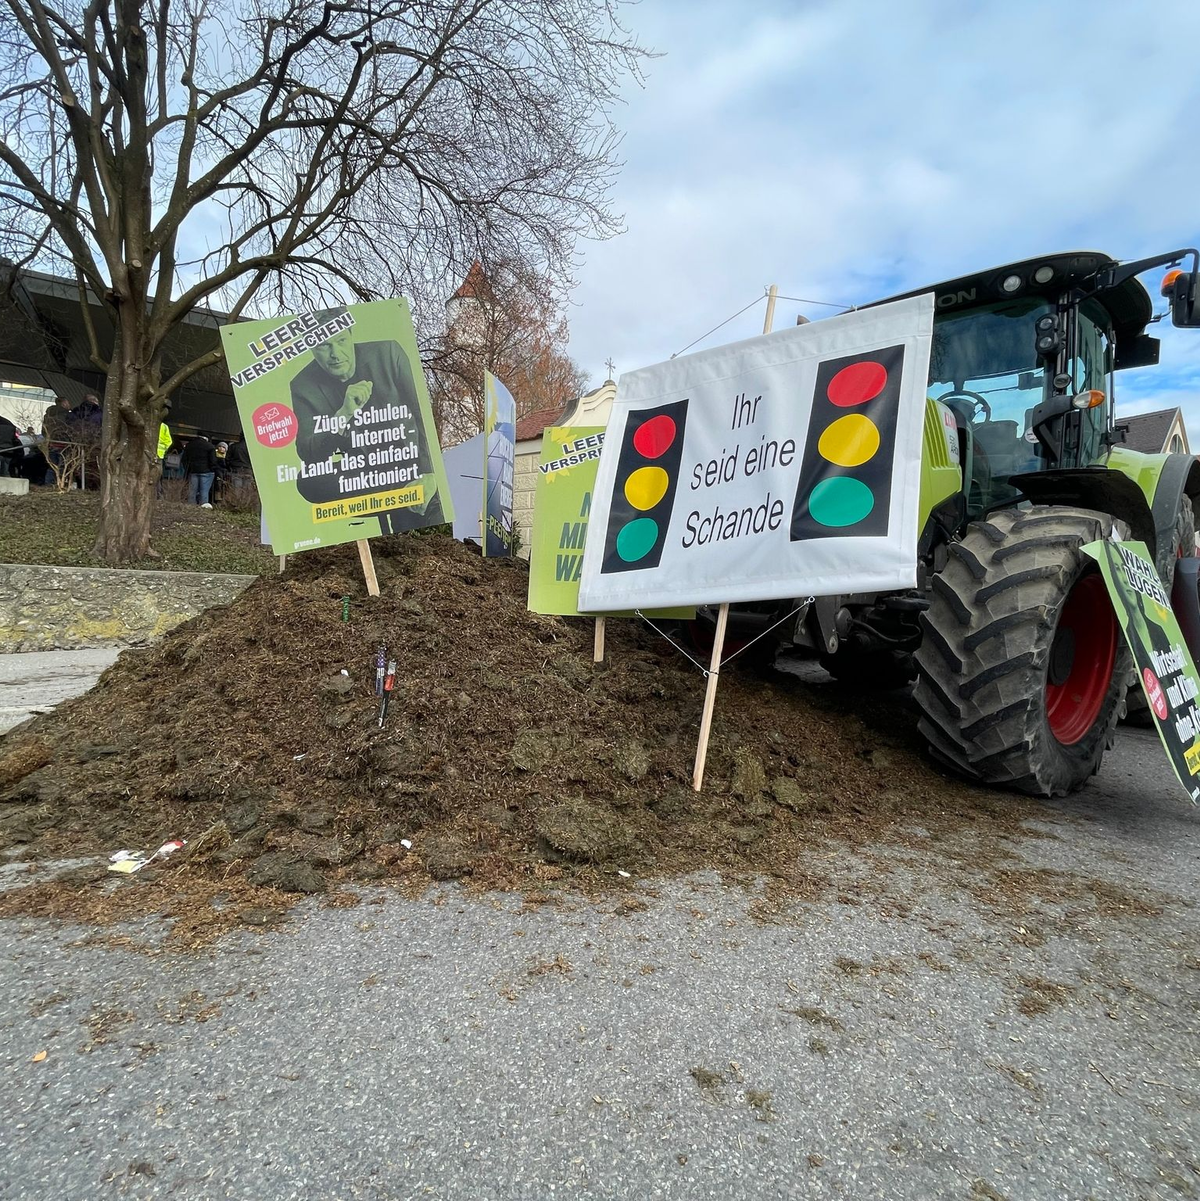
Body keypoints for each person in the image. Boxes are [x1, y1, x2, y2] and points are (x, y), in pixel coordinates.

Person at [290, 308, 444, 535]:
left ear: (351, 336)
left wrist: (429, 473)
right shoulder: (303, 384)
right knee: (308, 480)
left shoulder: (387, 353)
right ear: (312, 349)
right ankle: (404, 496)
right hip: (362, 472)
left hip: (405, 459)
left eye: (341, 340)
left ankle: (411, 499)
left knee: (423, 514)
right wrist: (344, 413)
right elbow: (307, 451)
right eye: (324, 345)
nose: (335, 353)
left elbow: (422, 413)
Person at [42, 395, 73, 485]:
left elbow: (44, 430)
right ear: (63, 403)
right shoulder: (67, 415)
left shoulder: (48, 416)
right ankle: (60, 484)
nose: (69, 404)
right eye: (68, 402)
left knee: (52, 466)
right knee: (63, 467)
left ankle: (48, 484)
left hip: (51, 444)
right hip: (63, 444)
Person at [182, 432, 217, 506]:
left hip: (193, 471)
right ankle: (203, 507)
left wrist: (188, 468)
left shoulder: (189, 445)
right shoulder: (210, 446)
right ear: (206, 438)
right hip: (207, 471)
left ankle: (190, 507)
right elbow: (213, 461)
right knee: (204, 491)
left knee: (192, 491)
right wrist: (212, 469)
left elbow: (184, 459)